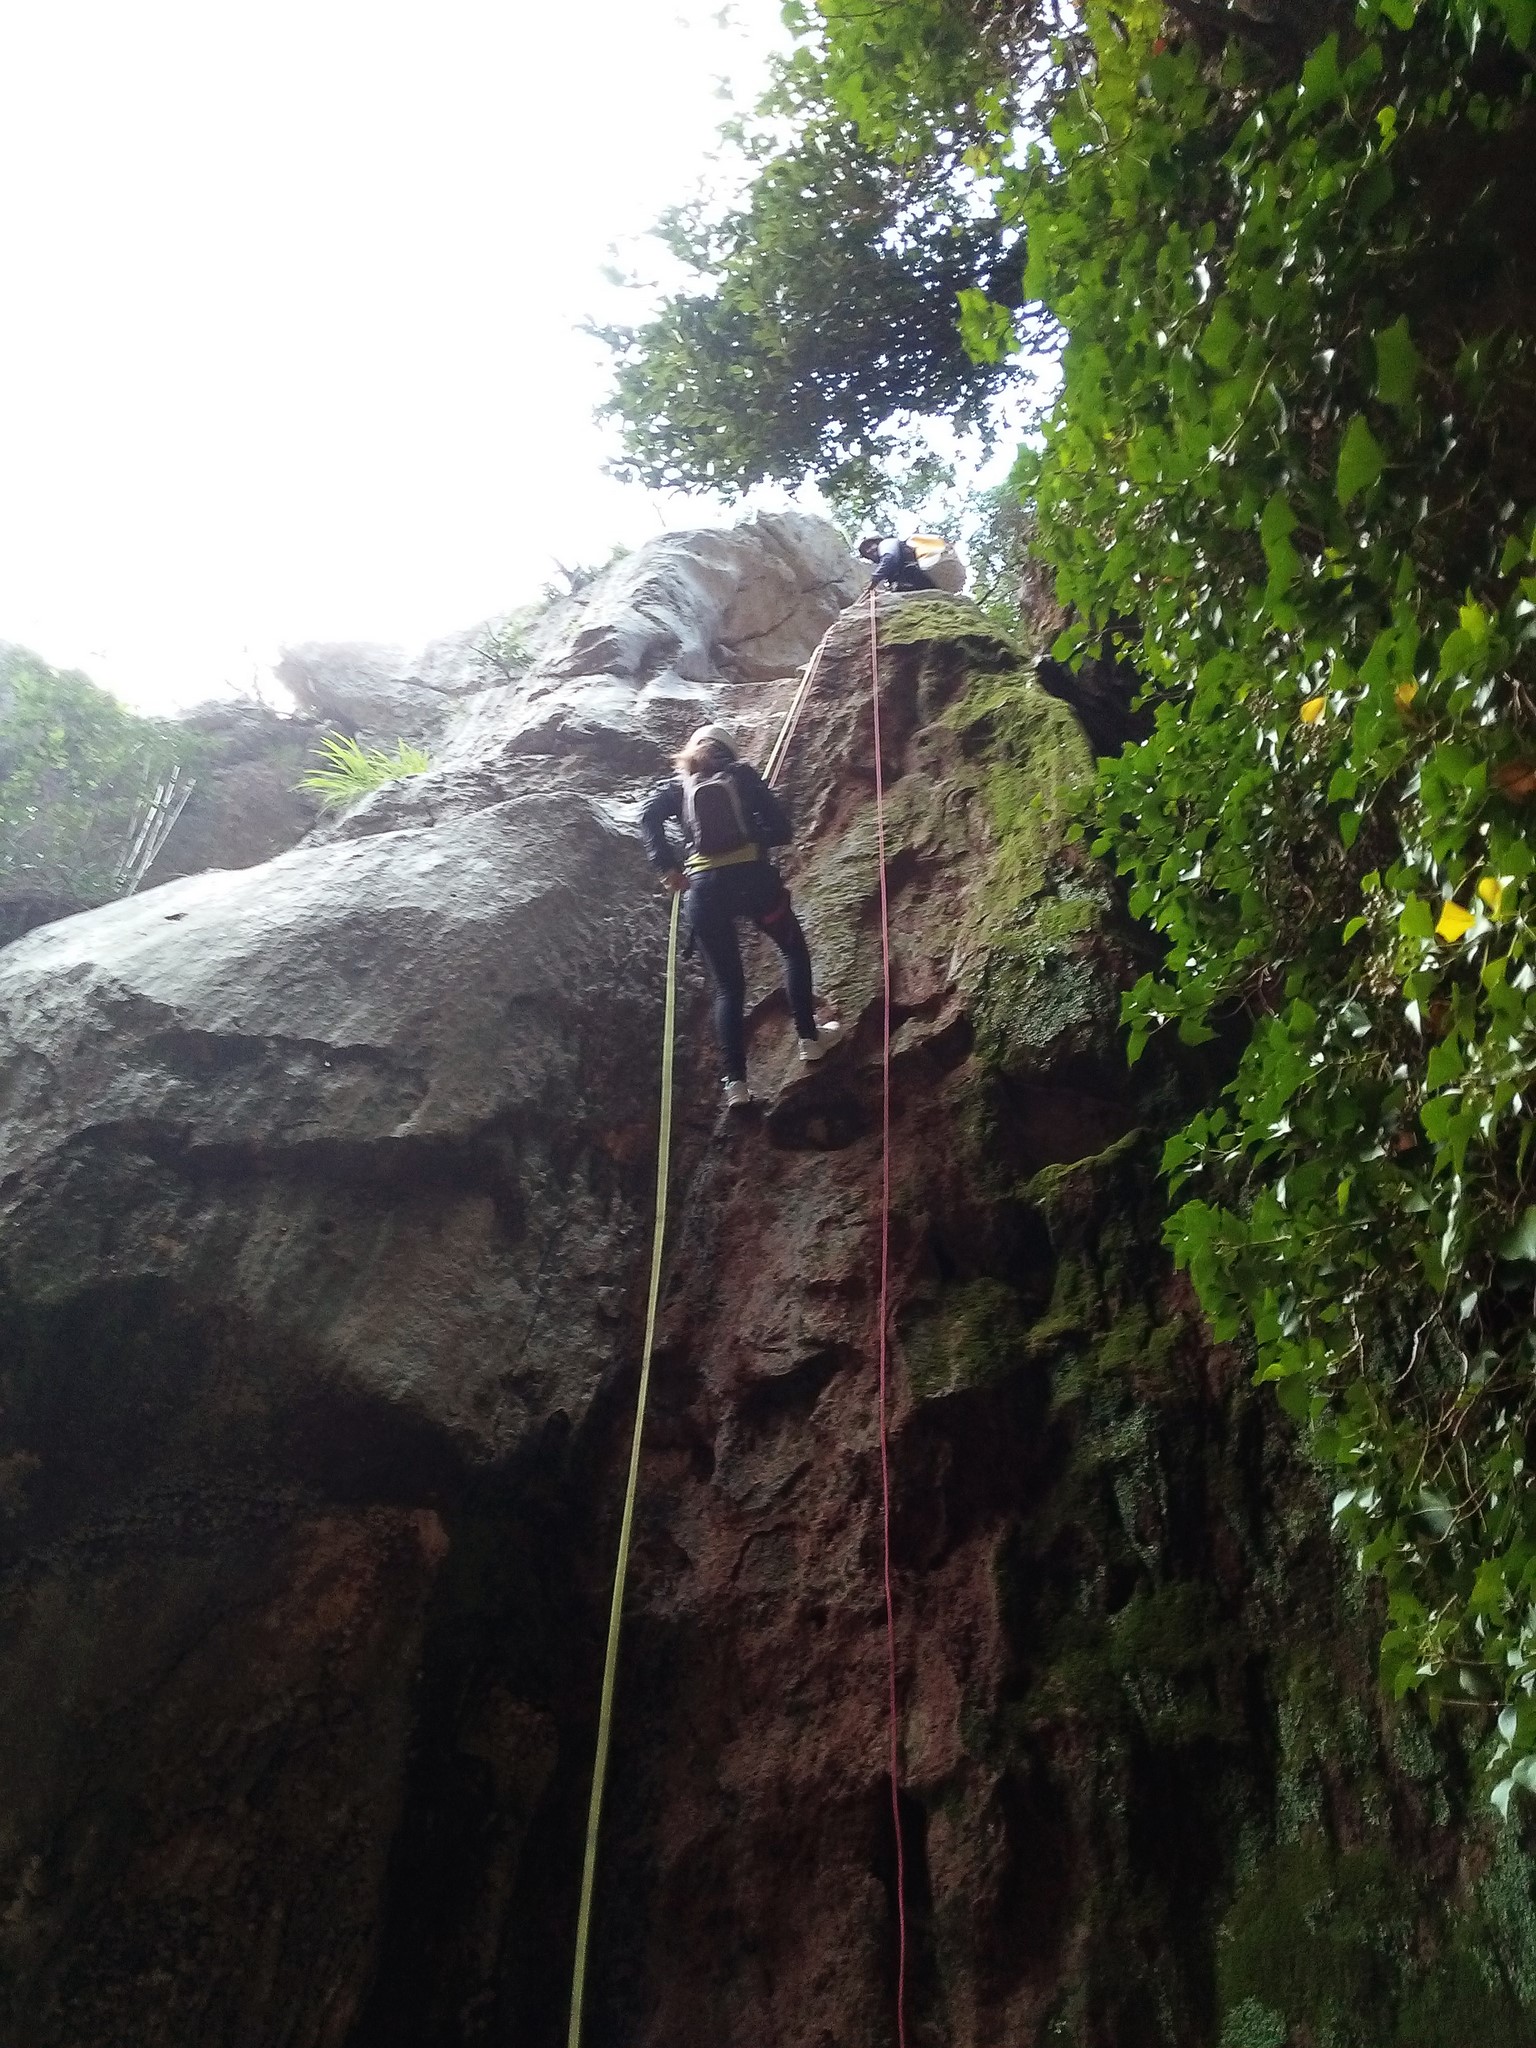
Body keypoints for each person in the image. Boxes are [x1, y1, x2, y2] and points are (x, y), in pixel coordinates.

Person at [640, 722, 842, 1109]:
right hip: (754, 882)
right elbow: (782, 829)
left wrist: (667, 867)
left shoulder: (675, 788)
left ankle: (735, 1084)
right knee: (793, 951)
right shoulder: (742, 776)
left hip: (703, 892)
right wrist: (754, 836)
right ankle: (809, 1039)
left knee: (729, 988)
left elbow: (648, 819)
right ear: (728, 751)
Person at [859, 533, 935, 592]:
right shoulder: (891, 566)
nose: (868, 551)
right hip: (910, 579)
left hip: (913, 576)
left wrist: (874, 580)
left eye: (869, 546)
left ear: (878, 542)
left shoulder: (886, 543)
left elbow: (889, 557)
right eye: (865, 552)